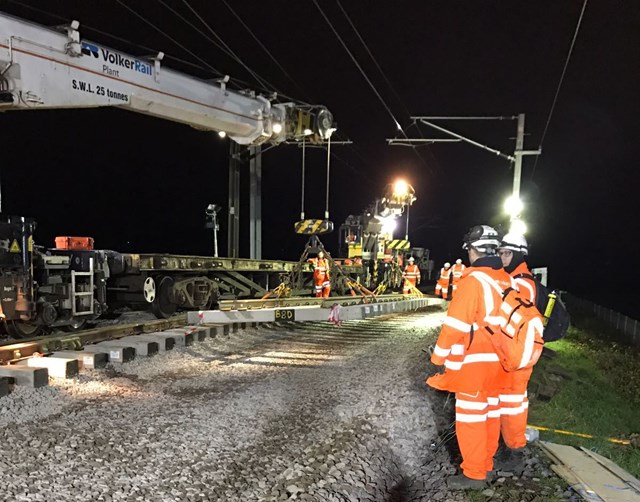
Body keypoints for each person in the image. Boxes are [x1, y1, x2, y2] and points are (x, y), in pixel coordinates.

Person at [426, 225, 511, 490]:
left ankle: (474, 475)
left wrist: (437, 359)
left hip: (475, 364)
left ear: (474, 251)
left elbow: (456, 326)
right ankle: (484, 464)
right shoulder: (505, 280)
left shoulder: (473, 281)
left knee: (471, 420)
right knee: (490, 415)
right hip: (501, 363)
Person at [495, 232, 536, 472]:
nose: (502, 257)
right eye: (500, 253)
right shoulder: (516, 278)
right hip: (514, 352)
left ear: (518, 254)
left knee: (512, 404)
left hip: (516, 355)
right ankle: (510, 448)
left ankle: (515, 453)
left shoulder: (521, 282)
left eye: (507, 253)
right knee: (510, 403)